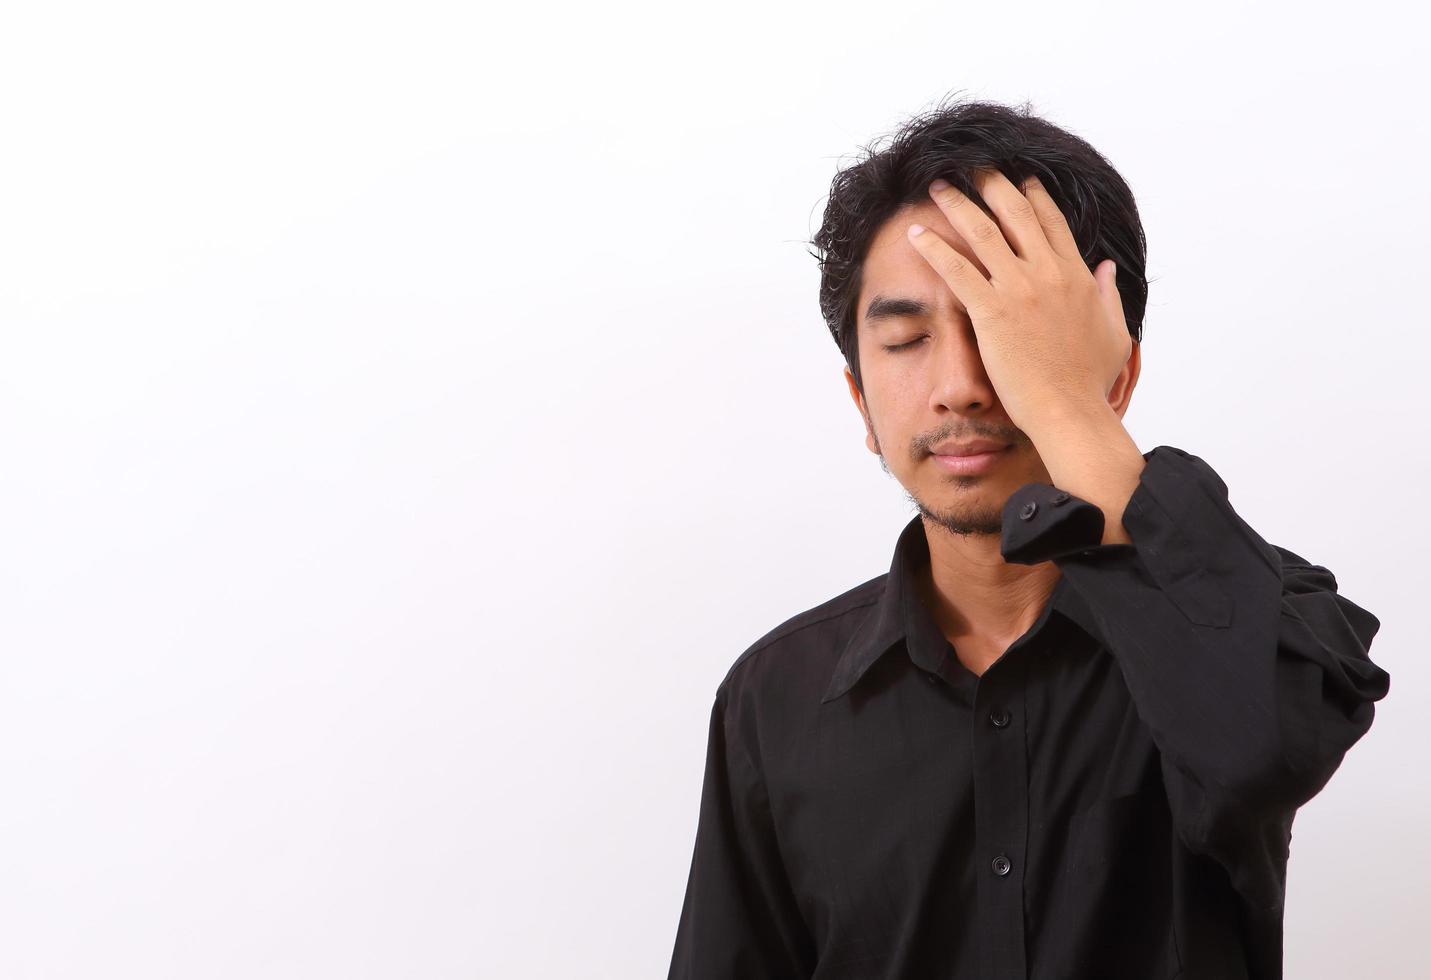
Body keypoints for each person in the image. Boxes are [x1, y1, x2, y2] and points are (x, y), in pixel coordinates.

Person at [664, 95, 1391, 980]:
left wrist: (1066, 407)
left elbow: (1256, 753)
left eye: (1004, 334)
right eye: (904, 339)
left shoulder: (1250, 617)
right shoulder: (775, 696)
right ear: (860, 402)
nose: (961, 387)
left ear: (1108, 374)